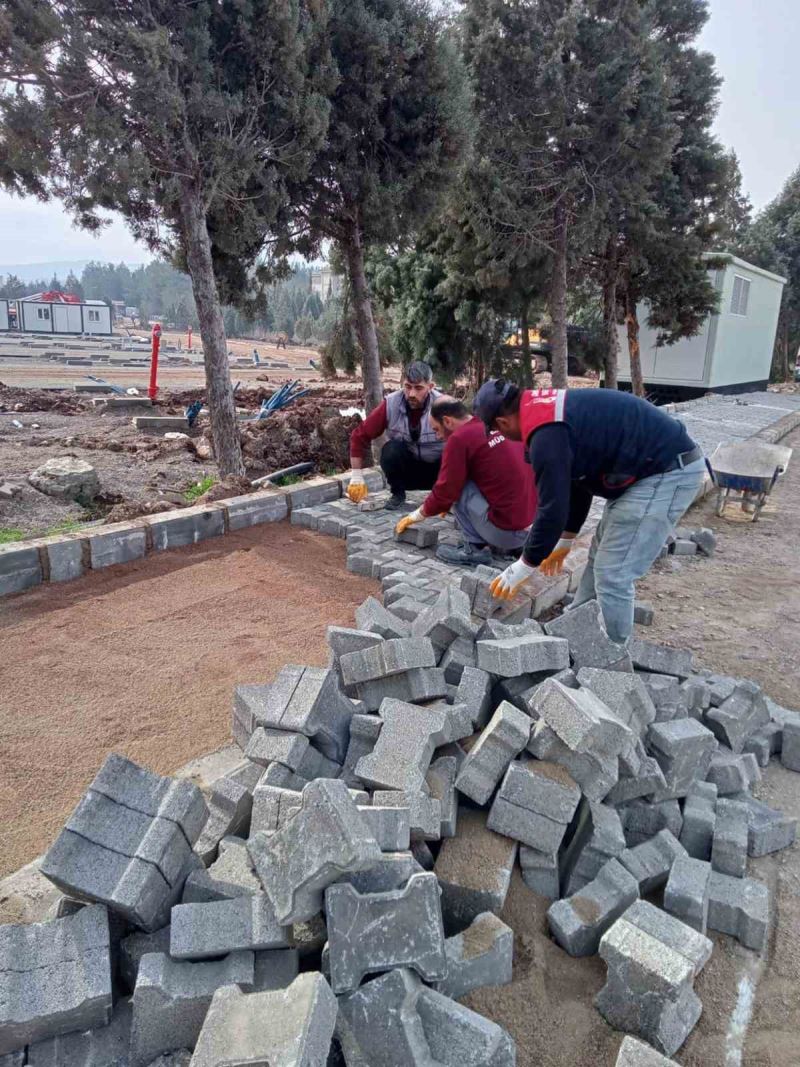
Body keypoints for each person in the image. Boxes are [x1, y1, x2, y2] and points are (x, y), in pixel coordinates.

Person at [473, 380, 706, 645]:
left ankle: (611, 657)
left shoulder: (545, 434)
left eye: (494, 429)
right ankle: (575, 630)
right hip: (648, 470)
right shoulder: (543, 411)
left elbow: (552, 509)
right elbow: (577, 481)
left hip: (666, 472)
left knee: (613, 573)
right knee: (600, 554)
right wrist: (566, 539)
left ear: (502, 423)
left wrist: (525, 565)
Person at [394, 396, 536, 566]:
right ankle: (512, 547)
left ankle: (474, 550)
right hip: (533, 529)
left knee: (459, 486)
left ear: (447, 421)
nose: (438, 436)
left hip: (505, 534)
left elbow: (446, 490)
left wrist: (418, 514)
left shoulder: (460, 439)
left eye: (436, 429)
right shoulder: (492, 423)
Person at [347, 361, 444, 511]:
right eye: (407, 387)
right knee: (390, 449)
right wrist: (356, 477)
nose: (412, 394)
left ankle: (450, 498)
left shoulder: (444, 406)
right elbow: (359, 436)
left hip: (440, 474)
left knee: (455, 450)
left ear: (430, 387)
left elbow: (467, 439)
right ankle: (397, 495)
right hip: (409, 474)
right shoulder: (391, 403)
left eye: (418, 388)